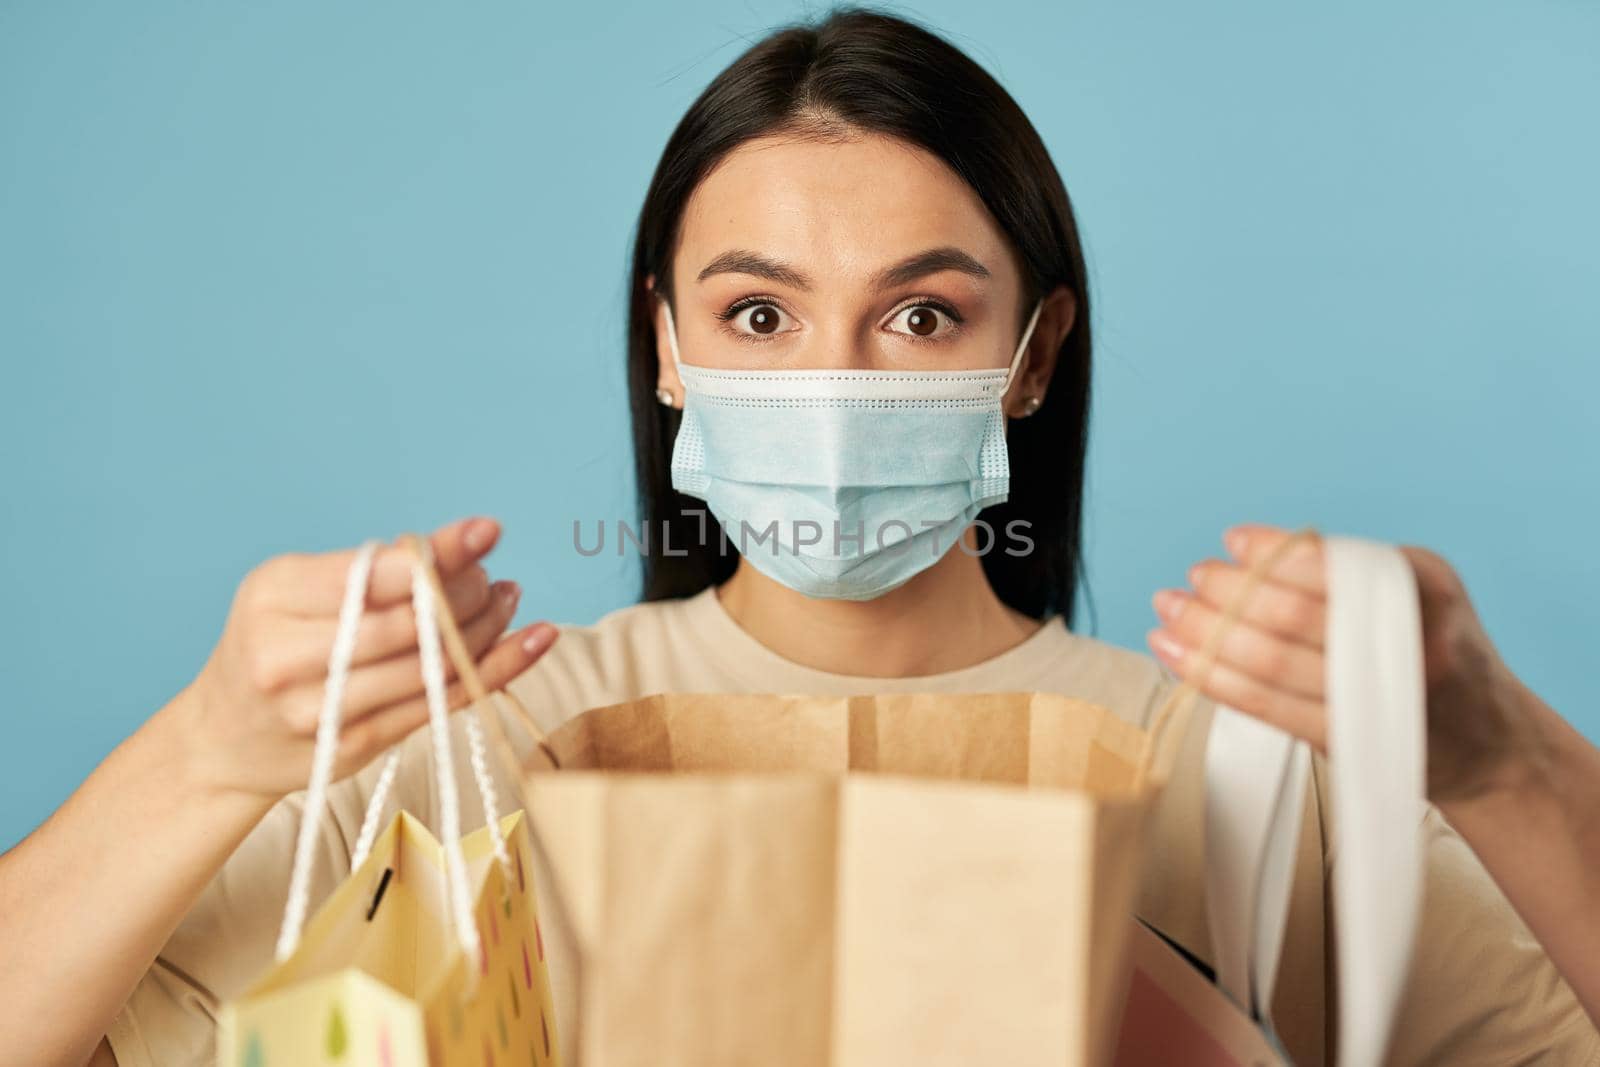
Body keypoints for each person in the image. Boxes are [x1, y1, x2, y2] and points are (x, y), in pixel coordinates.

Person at [2, 8, 1595, 1066]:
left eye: (919, 313)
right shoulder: (476, 756)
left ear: (1032, 355)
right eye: (759, 312)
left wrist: (1503, 761)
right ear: (668, 348)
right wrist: (207, 754)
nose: (834, 380)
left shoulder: (1253, 788)